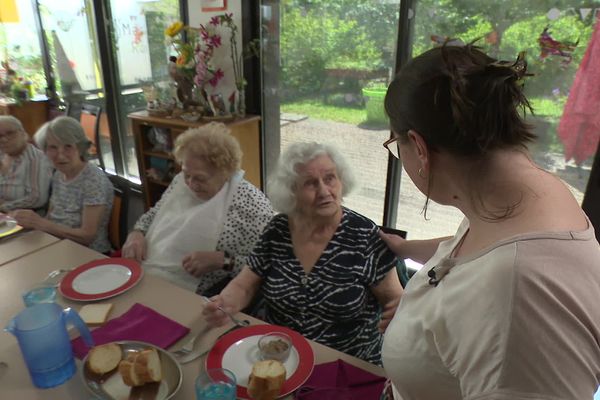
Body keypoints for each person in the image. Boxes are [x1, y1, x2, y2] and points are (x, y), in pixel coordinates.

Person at [379, 44, 600, 399]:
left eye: (395, 143)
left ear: (419, 147)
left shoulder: (518, 294)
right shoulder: (522, 194)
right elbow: (470, 254)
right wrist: (405, 255)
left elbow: (502, 295)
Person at [203, 142, 403, 365]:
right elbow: (245, 284)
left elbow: (395, 301)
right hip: (281, 356)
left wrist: (403, 313)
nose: (324, 191)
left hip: (346, 364)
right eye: (310, 183)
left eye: (330, 178)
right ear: (292, 191)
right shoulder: (278, 229)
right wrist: (225, 303)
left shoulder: (366, 237)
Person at [121, 122, 274, 297]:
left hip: (196, 294)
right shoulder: (181, 181)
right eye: (187, 174)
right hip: (145, 272)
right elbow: (155, 214)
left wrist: (223, 261)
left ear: (226, 171)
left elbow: (267, 264)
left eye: (200, 179)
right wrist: (137, 233)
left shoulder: (253, 205)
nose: (191, 184)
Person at [11, 117, 114, 253]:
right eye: (53, 147)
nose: (60, 155)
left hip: (86, 253)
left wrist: (41, 224)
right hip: (55, 244)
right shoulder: (59, 174)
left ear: (80, 147)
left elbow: (87, 236)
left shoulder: (93, 180)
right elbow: (53, 215)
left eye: (68, 146)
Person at [0, 116, 52, 213]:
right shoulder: (2, 154)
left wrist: (4, 206)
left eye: (10, 133)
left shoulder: (35, 159)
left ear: (23, 133)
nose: (4, 140)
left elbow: (37, 198)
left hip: (21, 218)